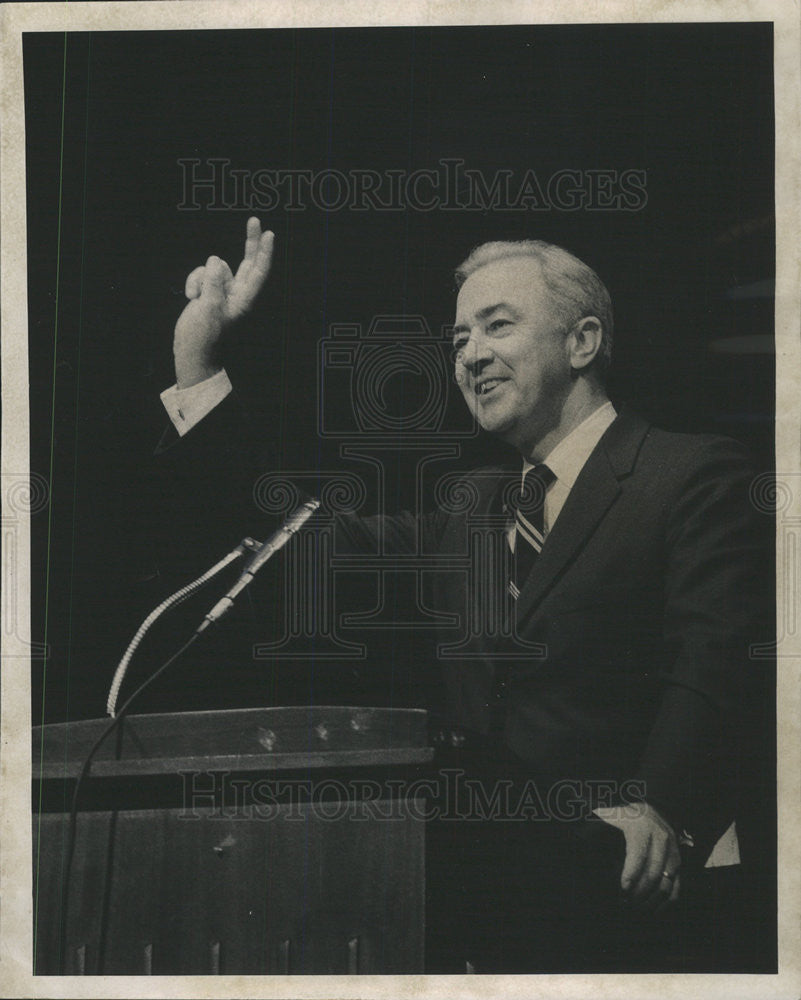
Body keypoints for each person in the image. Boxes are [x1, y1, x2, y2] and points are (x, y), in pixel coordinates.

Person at [154, 218, 769, 972]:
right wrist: (198, 359)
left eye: (496, 326)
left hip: (643, 902)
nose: (468, 354)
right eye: (456, 340)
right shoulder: (469, 506)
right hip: (495, 906)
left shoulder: (691, 473)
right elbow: (292, 538)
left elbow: (714, 662)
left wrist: (663, 810)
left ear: (581, 342)